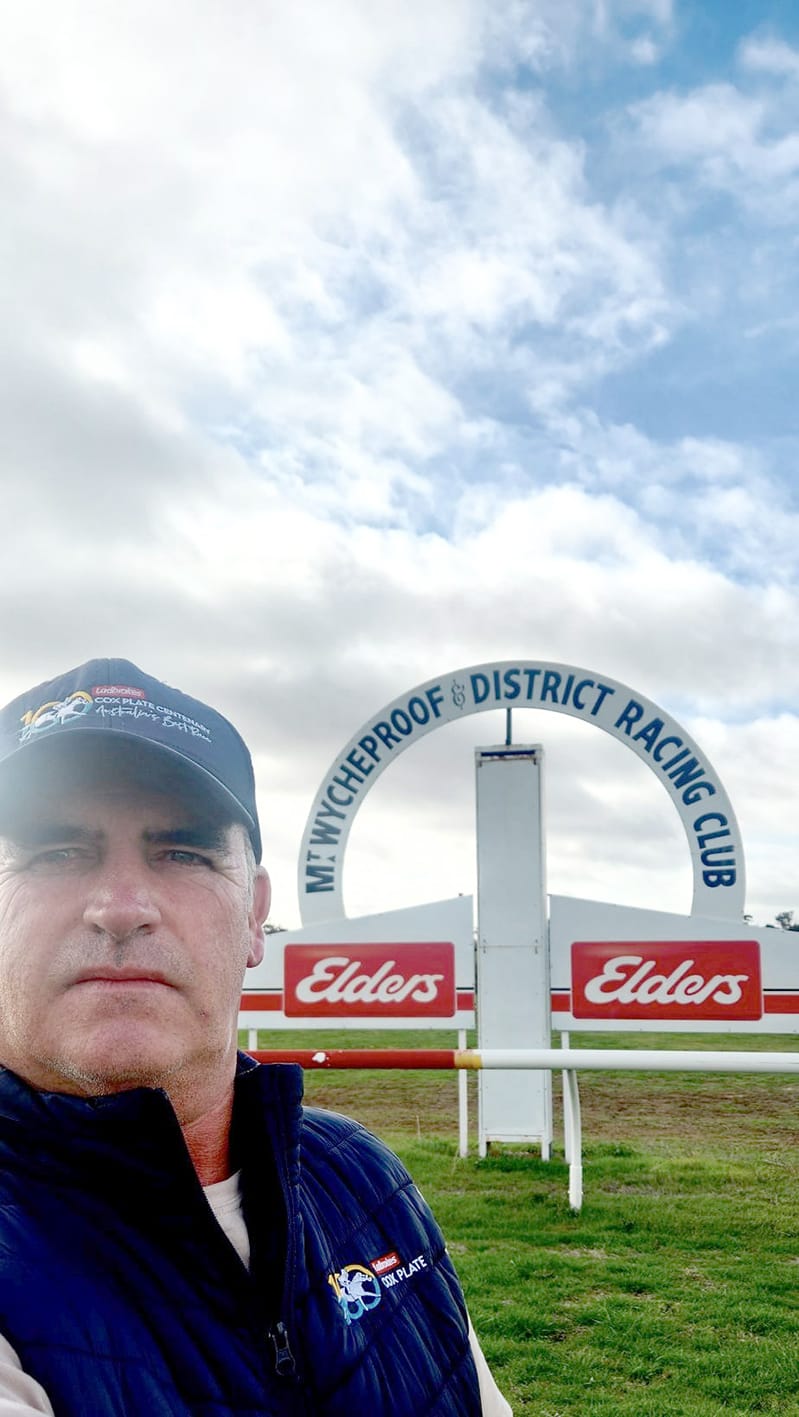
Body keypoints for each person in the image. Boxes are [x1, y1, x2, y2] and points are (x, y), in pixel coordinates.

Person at [0, 658, 512, 1416]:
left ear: (253, 915)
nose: (120, 906)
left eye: (182, 851)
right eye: (53, 853)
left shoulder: (361, 1174)